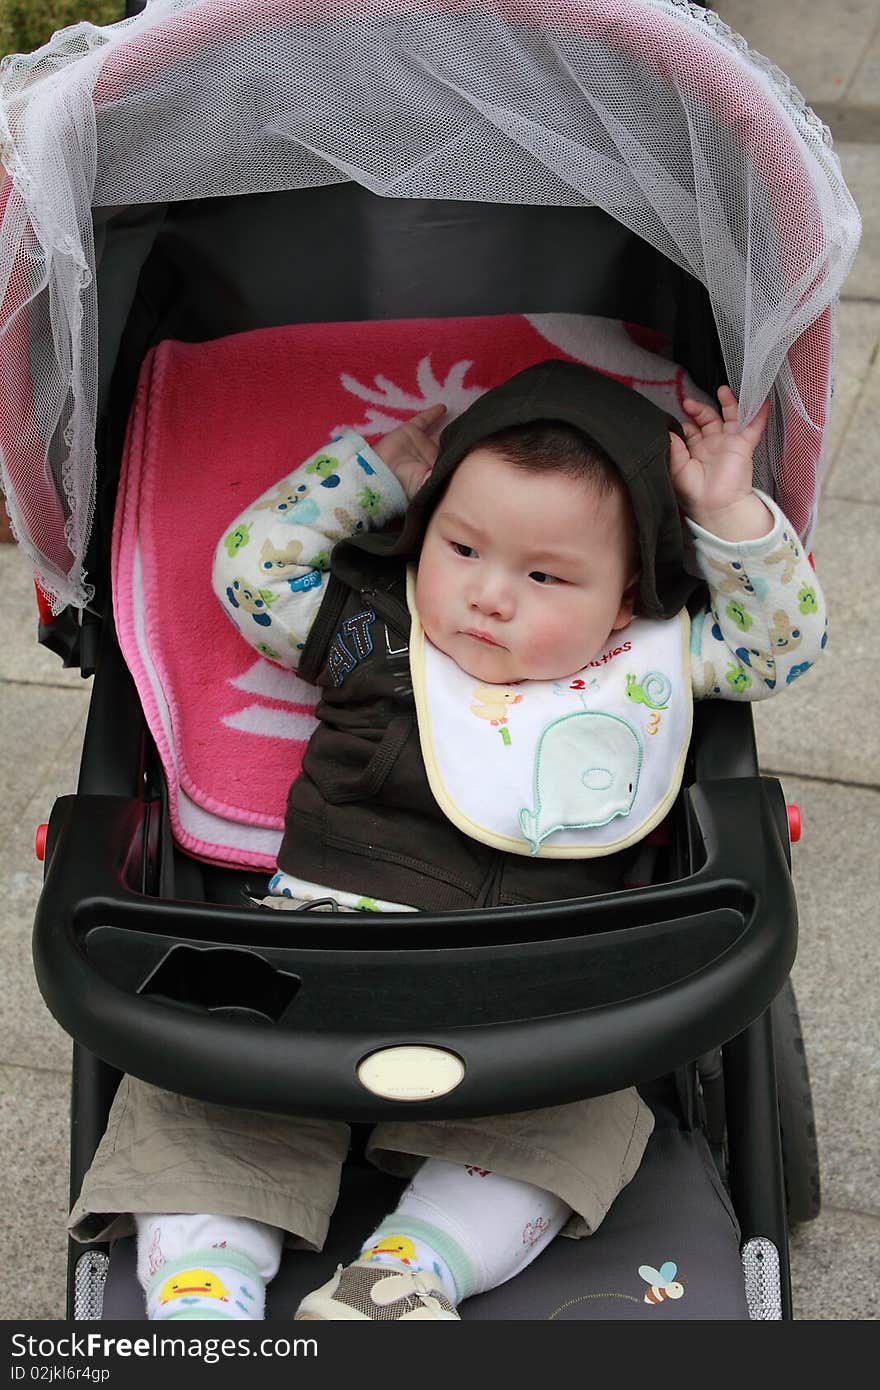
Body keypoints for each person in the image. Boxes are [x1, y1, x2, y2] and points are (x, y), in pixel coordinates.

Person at [69, 361, 827, 1321]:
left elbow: (781, 646)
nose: (489, 596)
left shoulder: (650, 668)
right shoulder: (378, 641)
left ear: (630, 591)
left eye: (546, 574)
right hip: (313, 965)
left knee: (580, 1121)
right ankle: (203, 1293)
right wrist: (375, 473)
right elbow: (253, 572)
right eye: (462, 548)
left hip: (526, 1003)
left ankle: (405, 1275)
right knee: (195, 1092)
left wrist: (727, 513)